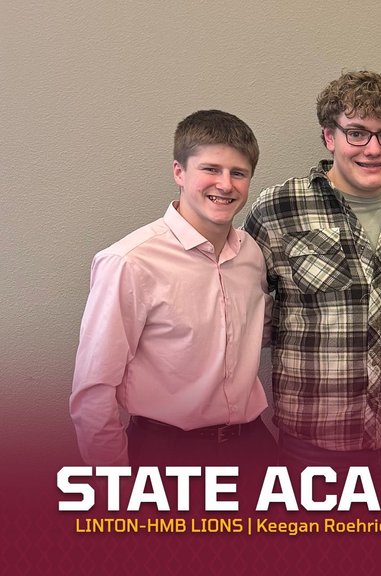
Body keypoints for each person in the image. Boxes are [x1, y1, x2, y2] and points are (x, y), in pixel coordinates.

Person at [244, 71, 381, 469]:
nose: (373, 149)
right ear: (329, 137)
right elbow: (240, 306)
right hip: (315, 438)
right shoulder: (279, 207)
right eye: (356, 133)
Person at [70, 109, 274, 467]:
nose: (225, 185)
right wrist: (115, 490)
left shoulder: (251, 254)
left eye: (238, 173)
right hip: (167, 454)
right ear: (179, 172)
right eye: (210, 169)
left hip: (253, 448)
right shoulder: (129, 262)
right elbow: (93, 392)